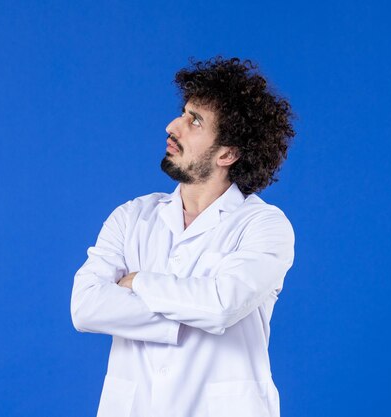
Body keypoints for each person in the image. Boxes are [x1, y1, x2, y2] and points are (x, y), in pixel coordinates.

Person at [71, 56, 296, 417]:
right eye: (184, 112)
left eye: (195, 121)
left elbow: (222, 305)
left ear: (228, 153)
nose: (172, 126)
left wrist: (138, 281)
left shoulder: (265, 226)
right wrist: (192, 315)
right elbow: (86, 307)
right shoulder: (132, 216)